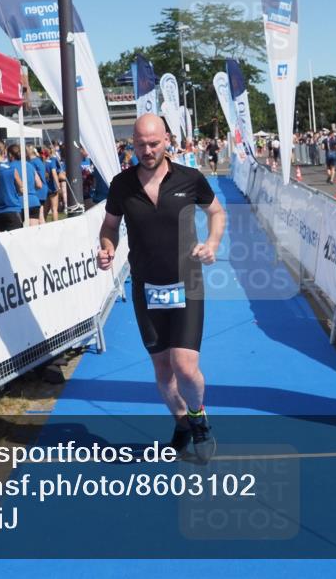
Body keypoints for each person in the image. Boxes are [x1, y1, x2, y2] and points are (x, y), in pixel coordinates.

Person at [97, 115, 226, 464]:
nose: (147, 150)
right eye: (140, 144)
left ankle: (199, 420)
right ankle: (181, 423)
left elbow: (216, 213)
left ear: (167, 139)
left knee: (184, 367)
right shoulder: (122, 185)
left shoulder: (190, 178)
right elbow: (109, 226)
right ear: (132, 143)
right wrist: (107, 248)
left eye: (153, 143)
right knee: (163, 373)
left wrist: (212, 242)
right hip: (146, 287)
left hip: (188, 283)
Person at [0, 142, 25, 232]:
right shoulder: (11, 169)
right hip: (12, 210)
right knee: (15, 244)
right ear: (4, 152)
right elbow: (22, 189)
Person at [24, 145, 47, 225]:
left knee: (40, 216)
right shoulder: (38, 160)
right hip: (43, 188)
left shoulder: (31, 163)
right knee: (41, 214)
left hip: (38, 190)